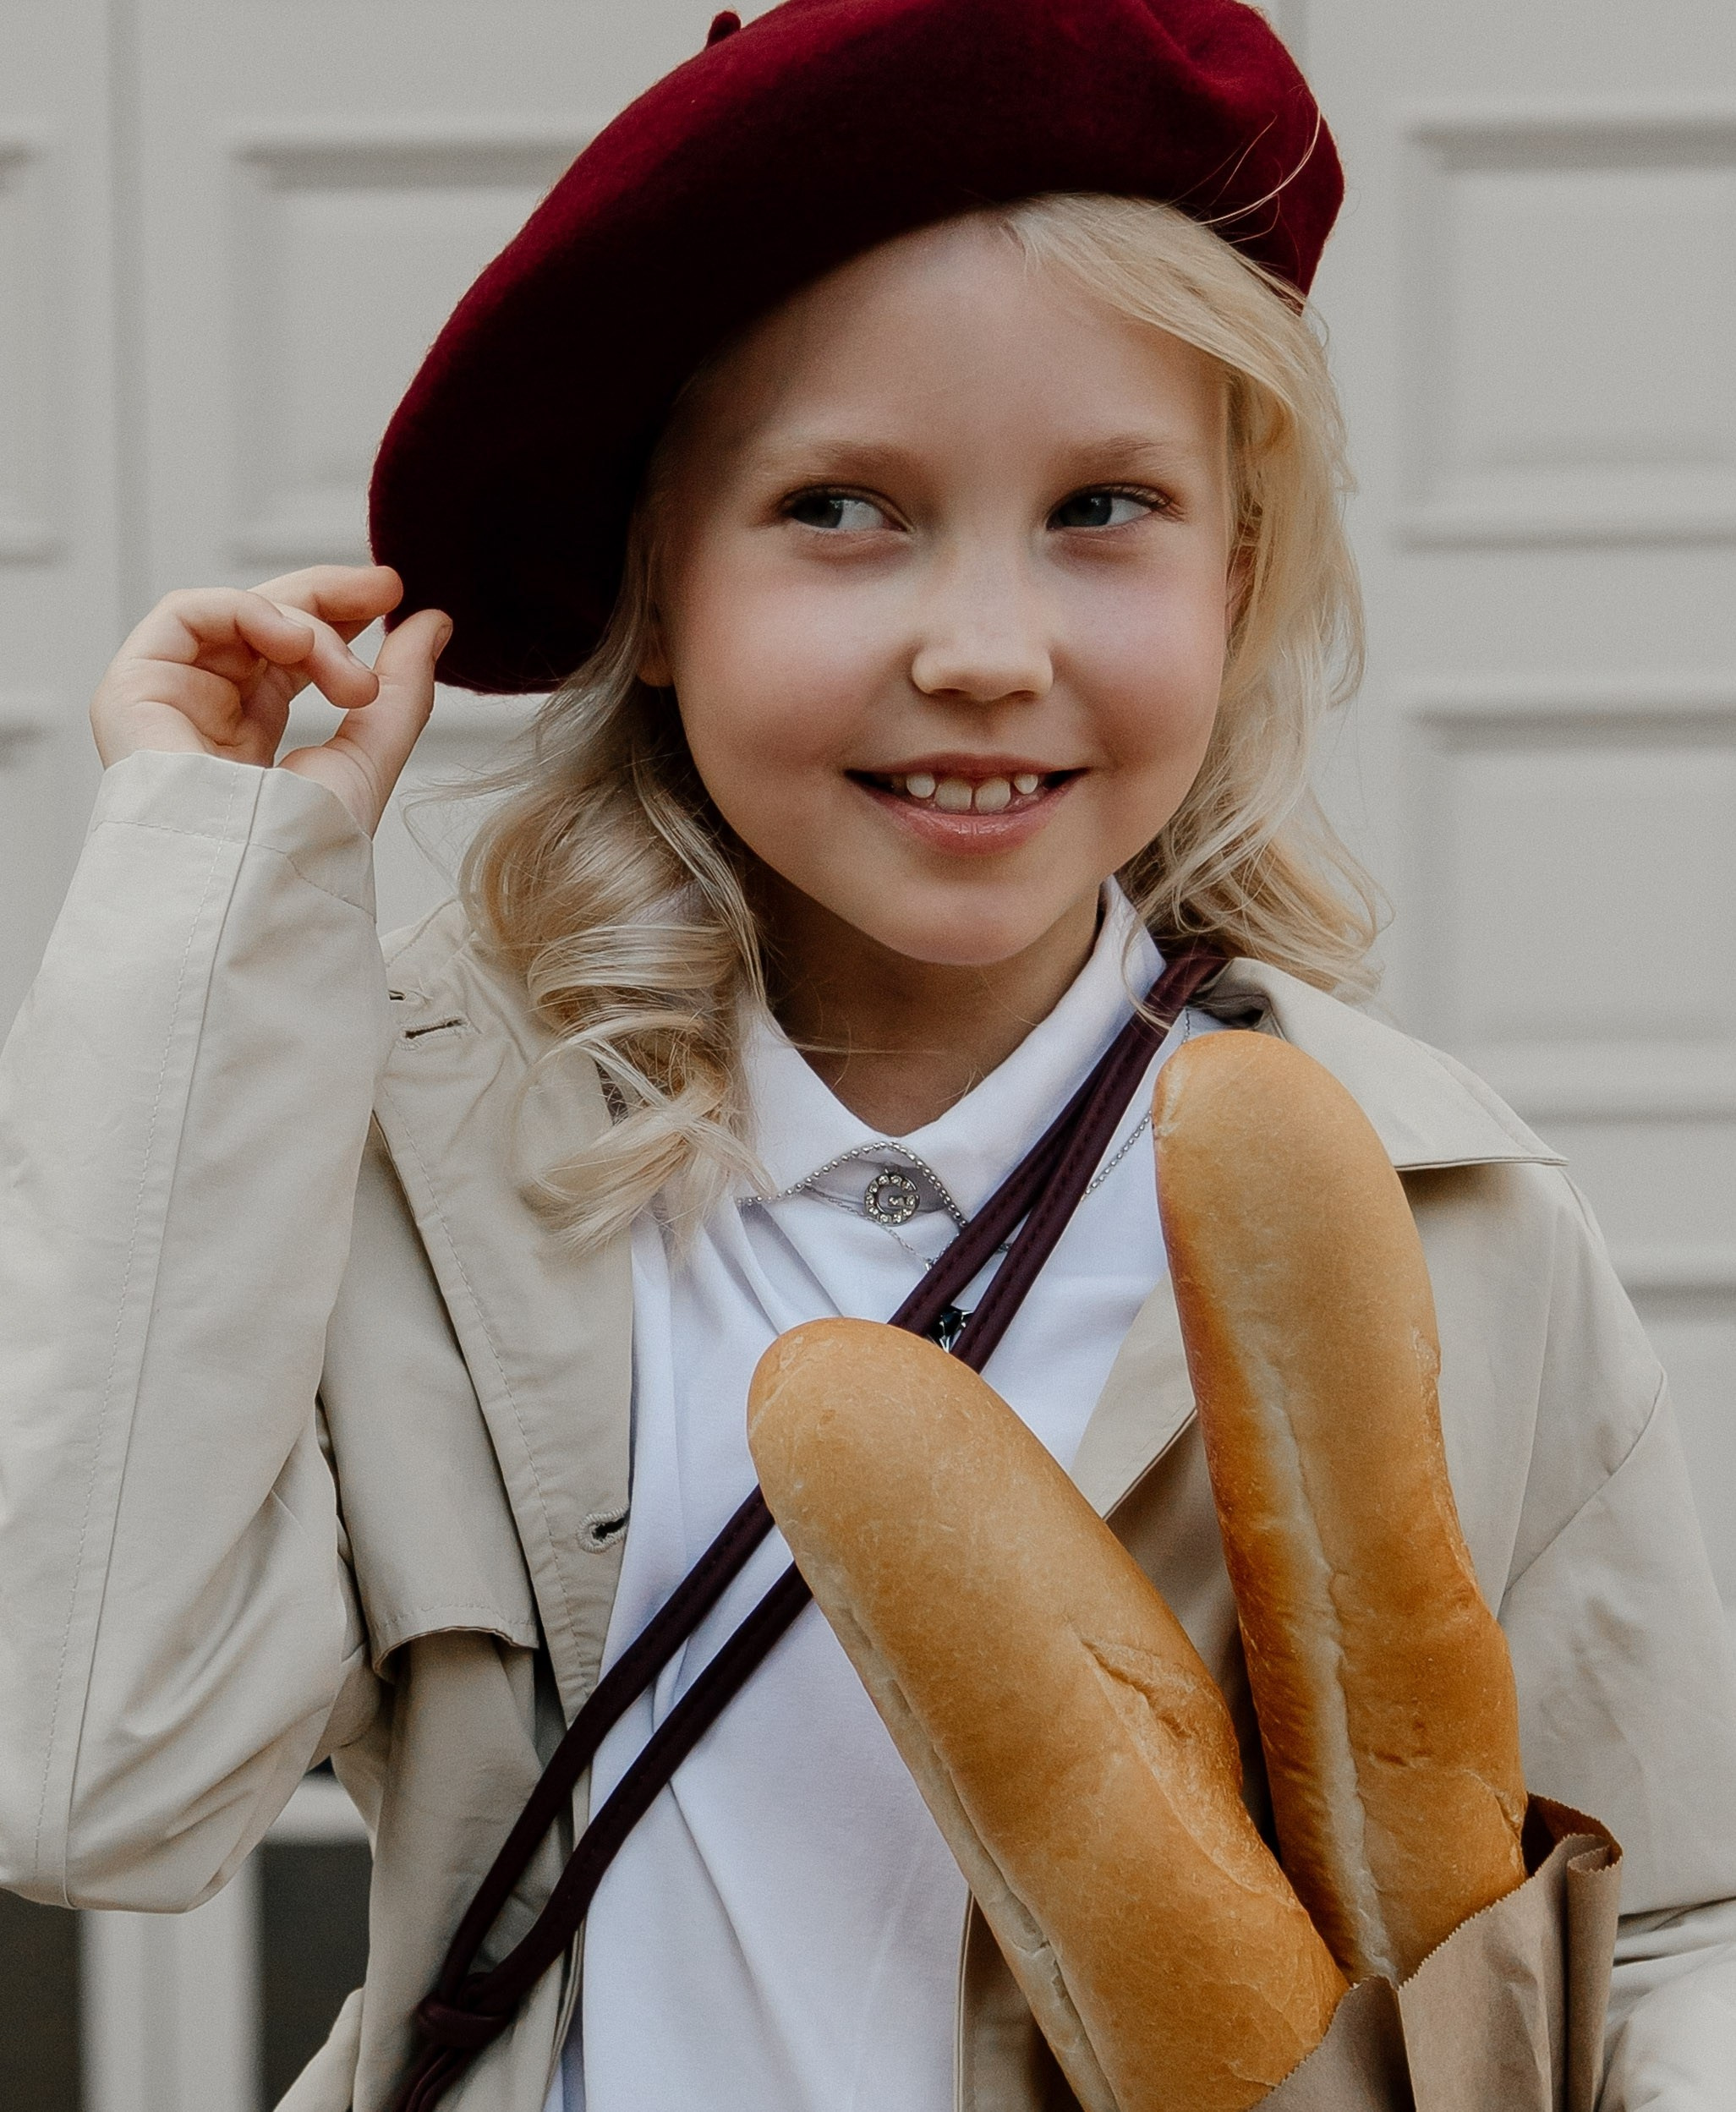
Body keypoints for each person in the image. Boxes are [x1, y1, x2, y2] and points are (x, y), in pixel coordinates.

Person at [2, 2, 1733, 2108]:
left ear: (1240, 570)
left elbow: (1660, 1929)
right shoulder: (426, 1180)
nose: (983, 649)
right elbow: (96, 1777)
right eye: (841, 508)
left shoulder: (1439, 1217)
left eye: (1104, 506)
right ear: (662, 580)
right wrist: (216, 901)